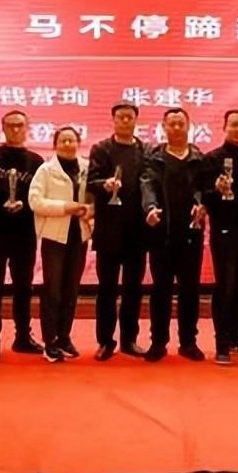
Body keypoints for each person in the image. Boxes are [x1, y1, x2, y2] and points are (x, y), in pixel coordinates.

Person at [140, 107, 208, 362]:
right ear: (164, 127)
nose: (177, 128)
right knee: (161, 290)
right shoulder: (154, 158)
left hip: (191, 233)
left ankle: (188, 342)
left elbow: (204, 189)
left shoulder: (199, 159)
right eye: (172, 124)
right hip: (161, 233)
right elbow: (147, 185)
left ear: (189, 126)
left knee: (190, 289)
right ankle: (158, 342)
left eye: (181, 124)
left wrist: (202, 205)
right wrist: (149, 208)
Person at [0, 110, 45, 362]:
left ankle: (23, 337)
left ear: (27, 128)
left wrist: (24, 205)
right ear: (3, 127)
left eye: (19, 125)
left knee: (23, 287)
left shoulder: (36, 161)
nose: (15, 129)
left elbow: (39, 195)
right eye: (10, 125)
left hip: (23, 232)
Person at [86, 102, 148, 361]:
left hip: (137, 230)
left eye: (129, 117)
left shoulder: (145, 150)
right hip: (109, 230)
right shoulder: (101, 149)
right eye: (120, 117)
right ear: (113, 120)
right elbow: (90, 182)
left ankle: (129, 340)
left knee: (133, 288)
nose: (124, 121)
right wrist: (106, 184)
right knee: (107, 289)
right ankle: (105, 341)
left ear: (136, 120)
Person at [29, 126, 94, 363]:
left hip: (79, 236)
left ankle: (64, 337)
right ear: (55, 144)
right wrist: (66, 208)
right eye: (63, 140)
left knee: (71, 290)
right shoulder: (46, 170)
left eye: (71, 140)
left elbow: (95, 197)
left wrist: (90, 209)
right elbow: (35, 201)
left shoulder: (88, 168)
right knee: (53, 291)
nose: (68, 144)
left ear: (78, 142)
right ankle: (50, 341)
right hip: (55, 237)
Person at [203, 109, 238, 365]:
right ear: (225, 127)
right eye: (234, 124)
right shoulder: (212, 159)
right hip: (223, 230)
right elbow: (202, 195)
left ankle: (236, 336)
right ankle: (221, 342)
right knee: (225, 285)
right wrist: (216, 190)